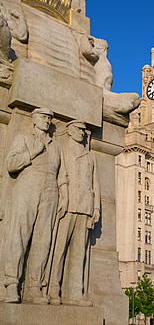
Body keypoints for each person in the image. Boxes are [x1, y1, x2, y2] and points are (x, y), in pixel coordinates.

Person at [4, 108, 68, 304]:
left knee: (43, 240)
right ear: (34, 119)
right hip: (27, 184)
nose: (47, 120)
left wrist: (64, 193)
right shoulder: (23, 138)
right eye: (43, 117)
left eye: (49, 118)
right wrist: (34, 151)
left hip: (51, 191)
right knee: (19, 235)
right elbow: (11, 164)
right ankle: (12, 284)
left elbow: (62, 173)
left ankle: (34, 287)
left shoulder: (56, 146)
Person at [48, 120, 100, 306]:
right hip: (68, 205)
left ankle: (75, 293)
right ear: (69, 131)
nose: (82, 133)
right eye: (78, 129)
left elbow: (95, 184)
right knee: (59, 249)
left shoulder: (90, 156)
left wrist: (96, 208)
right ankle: (53, 289)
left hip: (85, 207)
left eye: (84, 130)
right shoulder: (61, 149)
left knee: (79, 254)